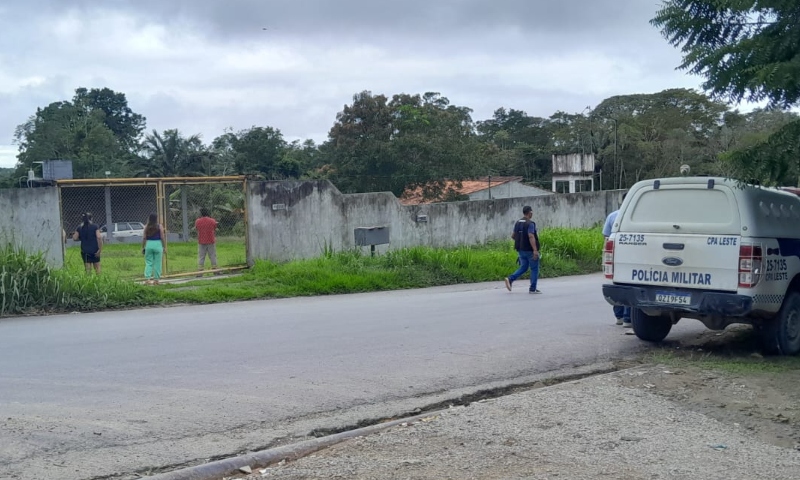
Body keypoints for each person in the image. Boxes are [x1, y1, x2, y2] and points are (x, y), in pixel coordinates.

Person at [603, 193, 631, 328]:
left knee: (617, 284)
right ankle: (627, 318)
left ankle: (619, 316)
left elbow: (606, 239)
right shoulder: (636, 216)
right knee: (629, 286)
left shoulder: (613, 216)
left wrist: (606, 258)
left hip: (615, 257)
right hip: (630, 258)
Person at [504, 205, 542, 294]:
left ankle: (510, 279)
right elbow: (531, 236)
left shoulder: (518, 222)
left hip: (520, 250)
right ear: (530, 213)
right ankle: (533, 288)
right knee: (534, 268)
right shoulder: (530, 223)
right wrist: (535, 250)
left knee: (524, 267)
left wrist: (521, 240)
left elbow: (513, 236)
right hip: (529, 250)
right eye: (531, 212)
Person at [141, 213, 167, 285]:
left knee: (149, 262)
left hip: (149, 244)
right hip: (158, 244)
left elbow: (144, 238)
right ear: (156, 219)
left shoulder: (146, 226)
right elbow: (162, 237)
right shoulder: (159, 226)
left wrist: (143, 247)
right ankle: (156, 280)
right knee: (157, 263)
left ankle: (147, 279)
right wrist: (164, 246)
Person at [194, 208, 218, 276]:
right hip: (211, 240)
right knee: (213, 256)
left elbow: (197, 229)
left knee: (201, 256)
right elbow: (215, 228)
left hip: (201, 241)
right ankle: (215, 270)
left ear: (201, 214)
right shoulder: (212, 221)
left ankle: (200, 272)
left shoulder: (198, 221)